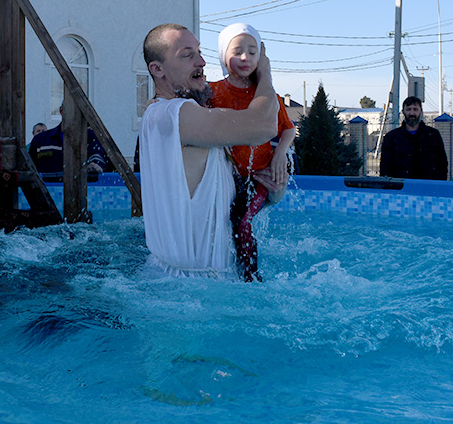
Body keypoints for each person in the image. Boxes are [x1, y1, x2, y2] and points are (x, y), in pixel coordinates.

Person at [138, 23, 283, 279]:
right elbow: (265, 125)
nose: (201, 61)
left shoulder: (180, 117)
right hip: (187, 293)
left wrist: (274, 189)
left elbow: (227, 203)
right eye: (187, 55)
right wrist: (265, 73)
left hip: (197, 286)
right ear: (157, 69)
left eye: (199, 51)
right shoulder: (174, 115)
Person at [210, 23, 296, 281]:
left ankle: (250, 277)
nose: (246, 58)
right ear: (223, 55)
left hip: (261, 174)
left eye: (252, 52)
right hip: (232, 175)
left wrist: (280, 154)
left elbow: (288, 130)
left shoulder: (268, 95)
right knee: (227, 220)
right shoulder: (213, 92)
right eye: (237, 51)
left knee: (241, 219)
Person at [380, 96, 448, 180]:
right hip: (400, 187)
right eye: (408, 109)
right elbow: (385, 166)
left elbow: (442, 163)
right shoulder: (392, 137)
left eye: (415, 109)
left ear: (421, 111)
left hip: (428, 186)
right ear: (403, 112)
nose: (412, 113)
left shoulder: (433, 135)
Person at [28, 105, 106, 176]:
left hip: (81, 189)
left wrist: (95, 165)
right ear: (61, 110)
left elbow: (98, 155)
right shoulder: (41, 140)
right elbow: (29, 168)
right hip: (47, 189)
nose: (77, 114)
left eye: (82, 112)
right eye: (73, 110)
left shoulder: (91, 138)